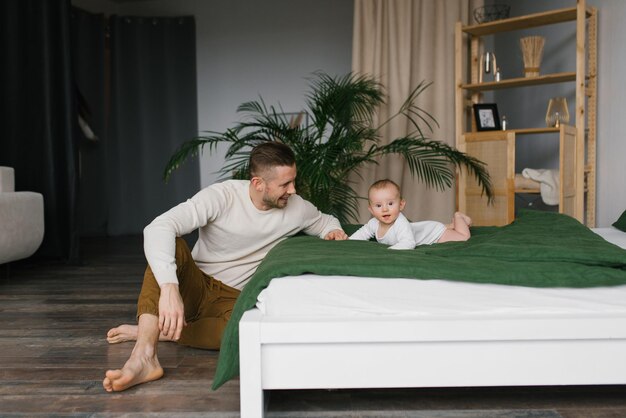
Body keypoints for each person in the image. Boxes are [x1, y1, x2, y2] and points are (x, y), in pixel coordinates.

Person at [102, 142, 348, 392]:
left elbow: (325, 221)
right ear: (257, 183)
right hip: (195, 284)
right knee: (171, 245)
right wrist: (169, 288)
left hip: (233, 299)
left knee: (244, 335)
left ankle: (152, 329)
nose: (293, 190)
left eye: (293, 181)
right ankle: (144, 356)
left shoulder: (296, 207)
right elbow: (159, 227)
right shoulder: (222, 196)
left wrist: (334, 232)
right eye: (285, 184)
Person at [349, 179, 471, 250]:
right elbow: (362, 233)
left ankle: (459, 217)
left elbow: (408, 243)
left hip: (435, 234)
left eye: (390, 203)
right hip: (423, 228)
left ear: (401, 205)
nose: (385, 209)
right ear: (371, 210)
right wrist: (348, 241)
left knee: (463, 237)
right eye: (378, 206)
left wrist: (389, 251)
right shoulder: (373, 223)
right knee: (420, 228)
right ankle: (450, 225)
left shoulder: (400, 223)